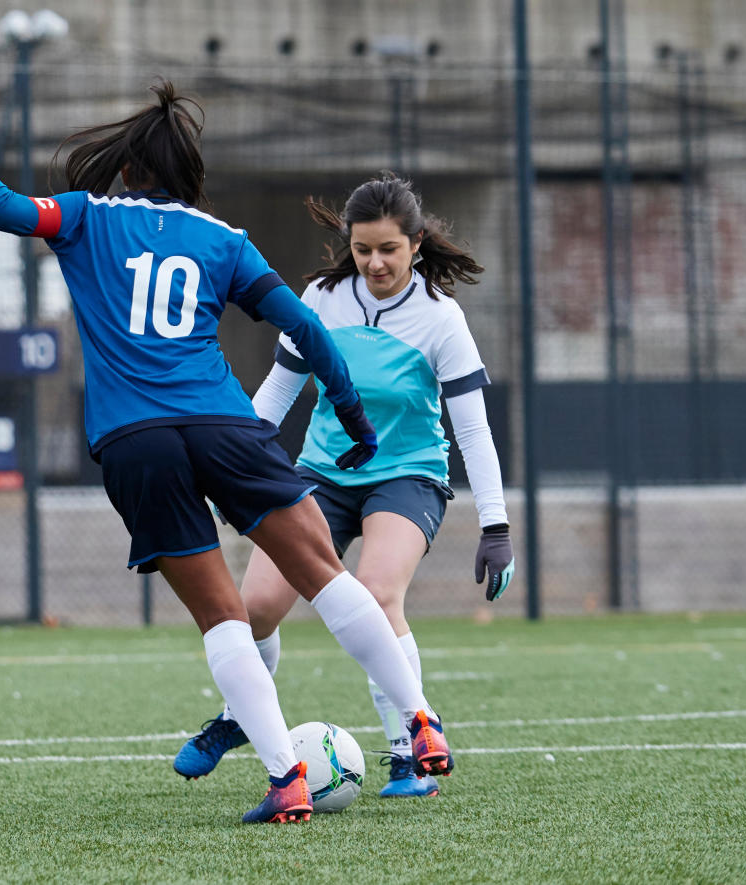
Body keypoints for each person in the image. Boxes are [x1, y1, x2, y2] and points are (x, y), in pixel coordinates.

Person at [0, 76, 455, 823]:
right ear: (189, 178)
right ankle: (418, 719)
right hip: (227, 427)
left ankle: (287, 779)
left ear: (127, 170)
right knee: (327, 575)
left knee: (224, 616)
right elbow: (307, 333)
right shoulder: (223, 240)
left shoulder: (84, 217)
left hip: (137, 440)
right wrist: (350, 412)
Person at [174, 173, 513, 798]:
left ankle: (409, 751)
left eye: (388, 248)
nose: (375, 262)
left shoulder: (442, 318)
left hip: (407, 477)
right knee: (253, 612)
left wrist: (496, 525)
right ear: (348, 246)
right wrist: (233, 471)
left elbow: (474, 429)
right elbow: (276, 393)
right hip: (322, 474)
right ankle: (237, 718)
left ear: (415, 244)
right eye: (363, 250)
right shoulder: (322, 299)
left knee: (378, 594)